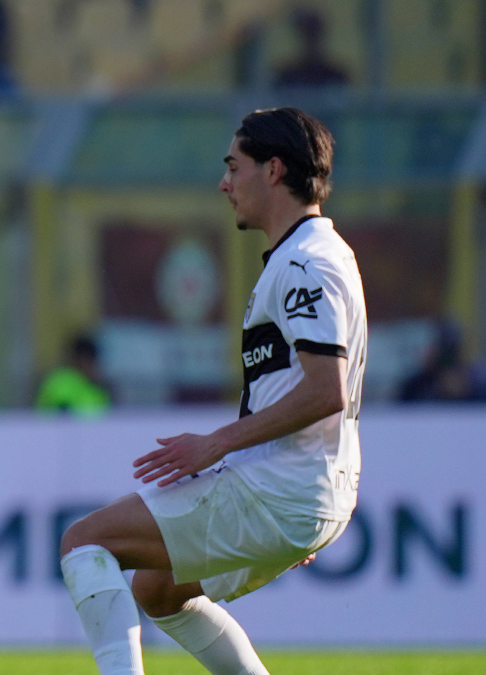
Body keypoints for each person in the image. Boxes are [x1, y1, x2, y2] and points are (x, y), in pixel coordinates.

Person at [59, 108, 366, 675]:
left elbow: (328, 392)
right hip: (301, 490)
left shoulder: (305, 263)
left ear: (273, 170)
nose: (225, 183)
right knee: (157, 590)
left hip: (283, 489)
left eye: (234, 166)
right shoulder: (314, 254)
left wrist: (216, 444)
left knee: (83, 542)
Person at [35, 334, 111, 417]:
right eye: (89, 361)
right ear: (80, 360)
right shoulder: (61, 381)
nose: (93, 366)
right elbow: (63, 416)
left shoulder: (97, 388)